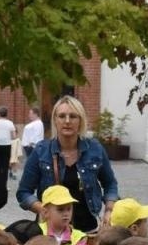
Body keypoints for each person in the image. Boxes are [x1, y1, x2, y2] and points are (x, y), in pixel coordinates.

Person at [17, 95, 119, 233]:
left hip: (88, 230)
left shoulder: (95, 149)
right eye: (62, 116)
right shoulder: (41, 151)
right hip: (51, 233)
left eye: (73, 116)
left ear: (80, 120)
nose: (67, 121)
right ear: (55, 120)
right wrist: (43, 210)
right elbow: (24, 192)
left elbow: (110, 184)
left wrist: (109, 210)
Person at [0, 105, 17, 178]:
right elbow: (14, 136)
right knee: (5, 165)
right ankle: (4, 181)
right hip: (7, 145)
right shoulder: (10, 123)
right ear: (7, 114)